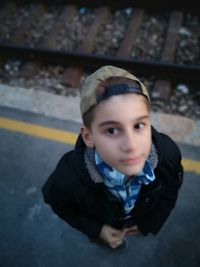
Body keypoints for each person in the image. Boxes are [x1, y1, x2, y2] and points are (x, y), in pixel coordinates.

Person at [42, 65, 183, 250]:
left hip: (138, 218)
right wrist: (97, 230)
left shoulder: (168, 155)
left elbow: (171, 190)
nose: (131, 145)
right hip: (103, 222)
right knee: (107, 242)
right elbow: (59, 204)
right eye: (112, 130)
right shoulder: (68, 177)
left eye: (139, 125)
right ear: (88, 137)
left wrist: (149, 223)